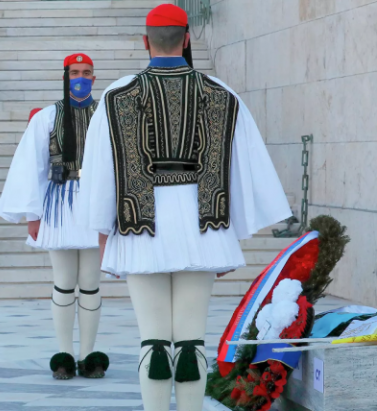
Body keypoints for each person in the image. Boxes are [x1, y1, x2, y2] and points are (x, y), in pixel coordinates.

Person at [79, 4, 293, 411]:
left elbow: (101, 173)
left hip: (138, 227)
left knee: (154, 340)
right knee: (193, 338)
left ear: (144, 42)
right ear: (188, 39)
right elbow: (243, 167)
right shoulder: (221, 94)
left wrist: (101, 235)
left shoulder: (115, 96)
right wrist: (231, 234)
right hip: (203, 227)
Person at [0, 54, 109, 380]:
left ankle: (89, 356)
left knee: (90, 283)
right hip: (59, 204)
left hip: (94, 204)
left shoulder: (106, 115)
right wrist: (33, 214)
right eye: (75, 72)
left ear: (94, 77)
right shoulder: (46, 117)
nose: (81, 78)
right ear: (65, 76)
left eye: (87, 72)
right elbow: (32, 167)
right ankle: (64, 355)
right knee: (63, 282)